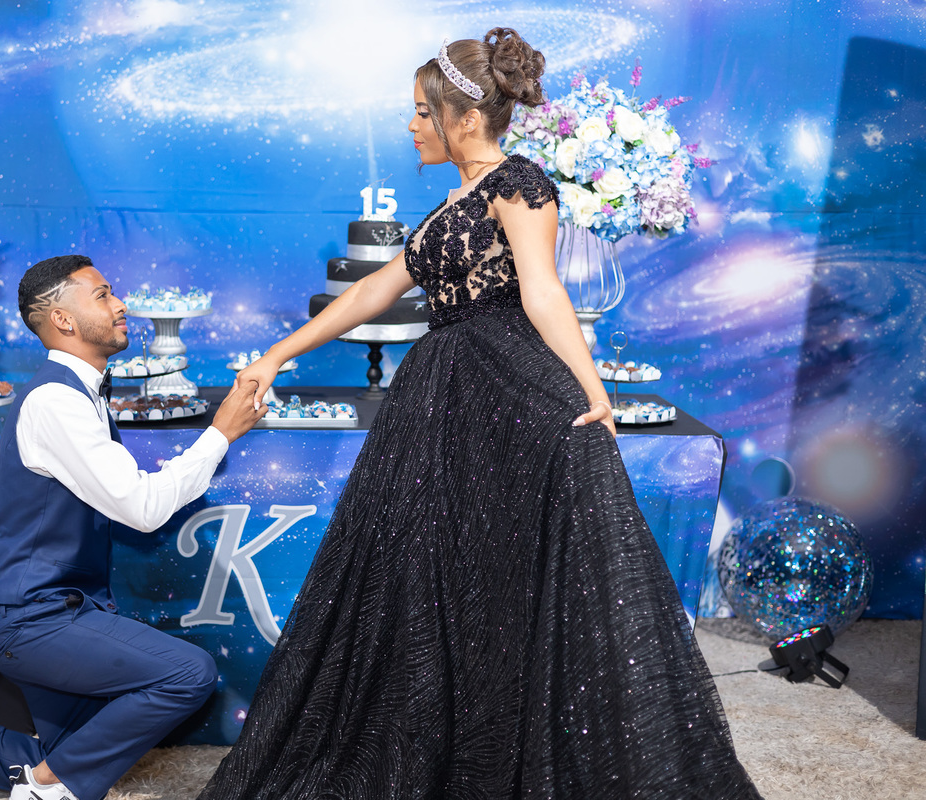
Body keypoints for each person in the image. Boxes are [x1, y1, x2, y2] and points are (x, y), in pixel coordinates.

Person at [197, 30, 762, 799]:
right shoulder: (450, 203)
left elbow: (542, 290)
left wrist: (593, 391)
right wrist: (274, 355)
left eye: (421, 111)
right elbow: (371, 292)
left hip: (507, 391)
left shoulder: (520, 182)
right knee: (432, 575)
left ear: (464, 118)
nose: (411, 126)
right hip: (441, 400)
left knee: (505, 578)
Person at [0, 254, 267, 800]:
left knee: (66, 758)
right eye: (102, 295)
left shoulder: (80, 393)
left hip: (55, 610)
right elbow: (142, 508)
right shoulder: (56, 401)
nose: (121, 304)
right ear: (63, 319)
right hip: (31, 618)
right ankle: (43, 789)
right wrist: (220, 433)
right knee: (188, 673)